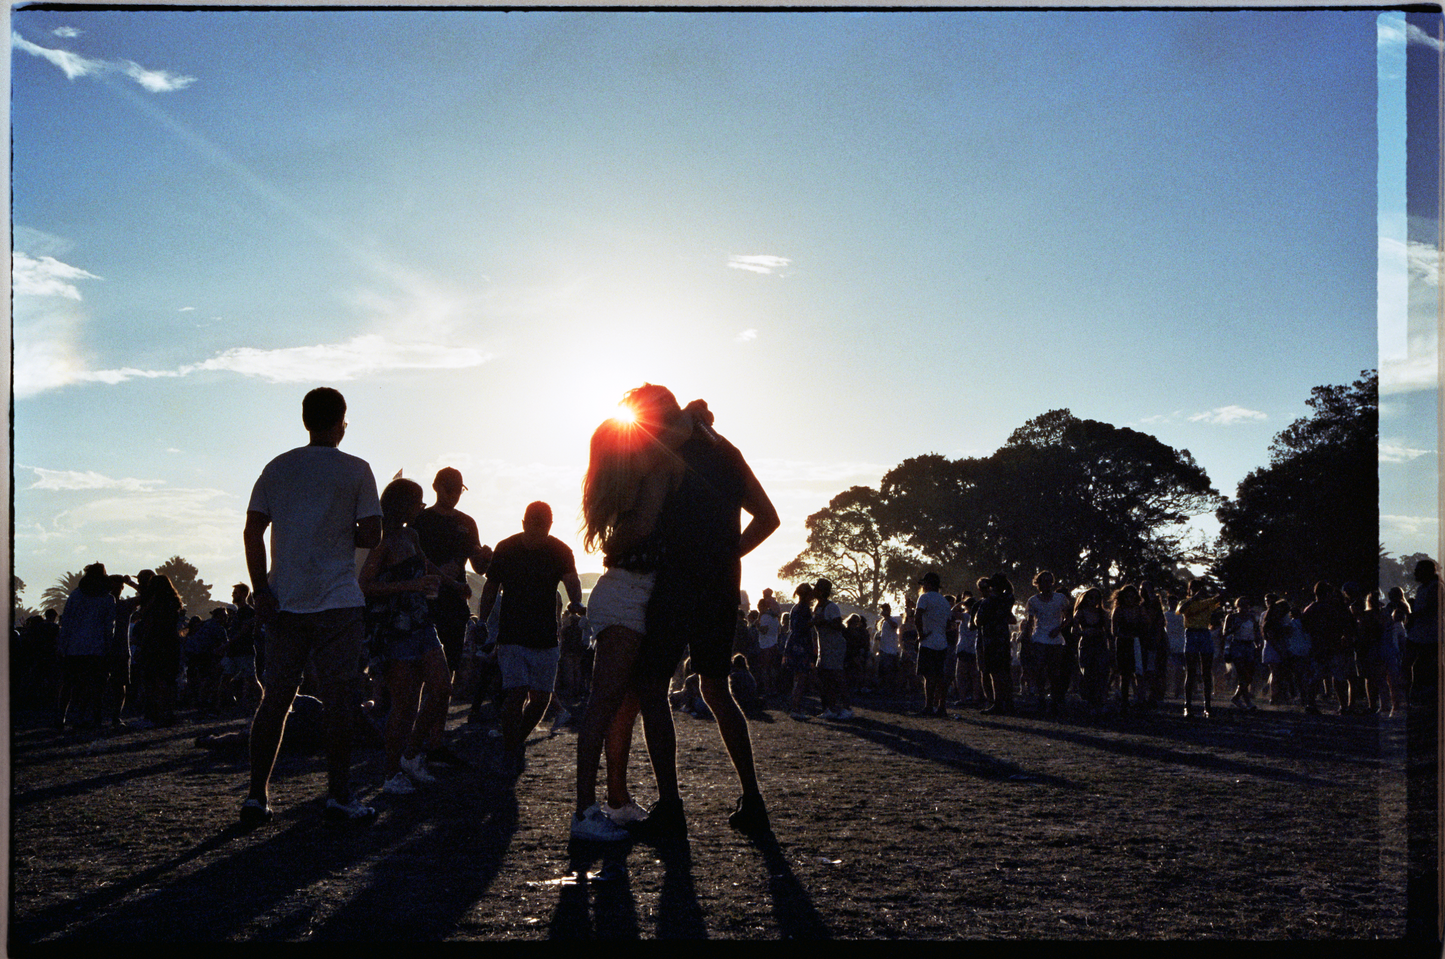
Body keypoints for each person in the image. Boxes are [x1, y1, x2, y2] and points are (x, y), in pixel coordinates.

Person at [628, 391, 781, 838]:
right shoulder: (727, 451)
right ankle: (752, 799)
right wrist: (727, 553)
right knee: (717, 688)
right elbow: (768, 518)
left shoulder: (660, 450)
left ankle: (670, 805)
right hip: (719, 585)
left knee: (653, 687)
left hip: (674, 581)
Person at [240, 386, 383, 826]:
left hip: (285, 601)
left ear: (305, 420)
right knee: (339, 701)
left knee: (275, 700)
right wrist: (338, 533)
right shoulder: (357, 469)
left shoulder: (277, 468)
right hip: (337, 601)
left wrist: (260, 590)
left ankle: (257, 796)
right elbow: (372, 534)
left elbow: (252, 531)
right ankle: (339, 795)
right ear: (342, 423)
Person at [571, 392, 689, 842]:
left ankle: (616, 800)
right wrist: (692, 413)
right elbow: (641, 526)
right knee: (604, 703)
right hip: (627, 593)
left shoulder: (627, 468)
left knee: (624, 705)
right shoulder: (649, 463)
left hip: (628, 590)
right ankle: (585, 811)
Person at [477, 501, 583, 779]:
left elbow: (572, 581)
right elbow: (490, 588)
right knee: (517, 692)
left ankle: (514, 742)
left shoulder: (561, 551)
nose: (537, 531)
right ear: (524, 523)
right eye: (533, 525)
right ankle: (511, 749)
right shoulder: (505, 548)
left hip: (545, 636)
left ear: (549, 526)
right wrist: (483, 622)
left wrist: (576, 602)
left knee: (541, 699)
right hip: (512, 635)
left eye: (542, 526)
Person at [359, 477, 451, 795]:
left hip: (421, 621)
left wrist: (450, 584)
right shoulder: (383, 541)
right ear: (403, 505)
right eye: (418, 503)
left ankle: (410, 755)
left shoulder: (412, 535)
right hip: (395, 629)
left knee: (442, 688)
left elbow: (425, 565)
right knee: (405, 705)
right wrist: (410, 585)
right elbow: (365, 585)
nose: (421, 509)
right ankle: (391, 773)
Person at [409, 467, 492, 766]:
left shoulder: (467, 523)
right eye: (450, 489)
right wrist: (442, 575)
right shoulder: (420, 521)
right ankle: (415, 738)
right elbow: (411, 558)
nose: (454, 495)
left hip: (454, 606)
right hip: (423, 604)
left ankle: (435, 741)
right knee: (420, 675)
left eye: (458, 490)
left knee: (448, 674)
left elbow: (479, 567)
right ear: (436, 487)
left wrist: (486, 557)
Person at [55, 562, 116, 730]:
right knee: (92, 685)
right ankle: (86, 717)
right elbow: (108, 626)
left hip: (74, 648)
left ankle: (61, 716)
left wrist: (62, 645)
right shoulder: (107, 599)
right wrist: (109, 648)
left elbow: (66, 621)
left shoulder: (75, 595)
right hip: (97, 649)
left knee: (69, 684)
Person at [1023, 571, 1071, 717]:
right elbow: (1030, 622)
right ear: (1038, 583)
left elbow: (1069, 617)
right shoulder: (1033, 601)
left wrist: (1059, 628)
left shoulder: (1060, 598)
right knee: (1039, 670)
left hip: (1055, 639)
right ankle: (1041, 697)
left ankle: (1055, 699)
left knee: (1054, 671)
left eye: (1049, 581)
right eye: (1044, 581)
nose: (1047, 584)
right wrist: (1027, 639)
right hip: (1039, 638)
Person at [1178, 579, 1221, 718]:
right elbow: (1181, 610)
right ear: (1189, 590)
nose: (1196, 591)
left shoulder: (1207, 602)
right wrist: (1194, 598)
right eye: (1193, 588)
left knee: (1206, 672)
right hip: (1191, 633)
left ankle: (1207, 706)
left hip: (1204, 633)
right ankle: (1187, 706)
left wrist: (1211, 585)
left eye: (1198, 588)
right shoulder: (1184, 602)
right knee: (1190, 672)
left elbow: (1222, 596)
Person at [914, 571, 952, 717]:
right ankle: (941, 706)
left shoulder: (924, 598)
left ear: (928, 584)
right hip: (942, 641)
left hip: (928, 641)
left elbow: (918, 616)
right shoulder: (944, 602)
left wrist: (920, 634)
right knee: (940, 676)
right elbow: (949, 624)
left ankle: (929, 706)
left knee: (928, 676)